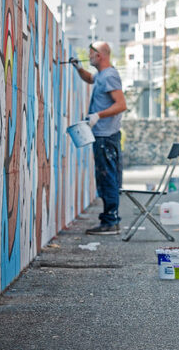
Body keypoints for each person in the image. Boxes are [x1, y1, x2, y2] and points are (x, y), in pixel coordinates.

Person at [72, 41, 127, 235]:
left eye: (90, 54)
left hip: (107, 135)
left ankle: (111, 221)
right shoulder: (102, 75)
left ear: (100, 55)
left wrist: (98, 115)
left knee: (108, 178)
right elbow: (90, 79)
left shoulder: (110, 75)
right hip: (103, 135)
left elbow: (121, 104)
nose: (89, 57)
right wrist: (79, 68)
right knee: (105, 177)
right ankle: (109, 220)